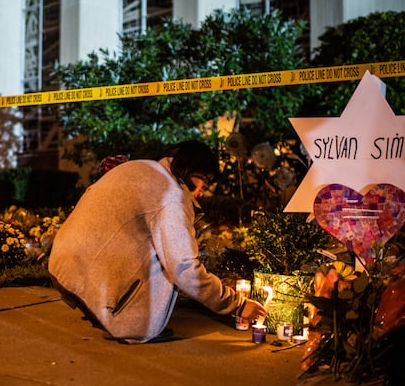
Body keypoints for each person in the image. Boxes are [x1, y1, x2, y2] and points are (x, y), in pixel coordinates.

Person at [48, 140, 266, 343]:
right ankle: (127, 322)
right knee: (168, 260)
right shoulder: (171, 197)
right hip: (90, 270)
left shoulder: (141, 167)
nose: (202, 192)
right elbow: (184, 269)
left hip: (64, 264)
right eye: (204, 182)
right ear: (189, 168)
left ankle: (98, 306)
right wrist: (237, 304)